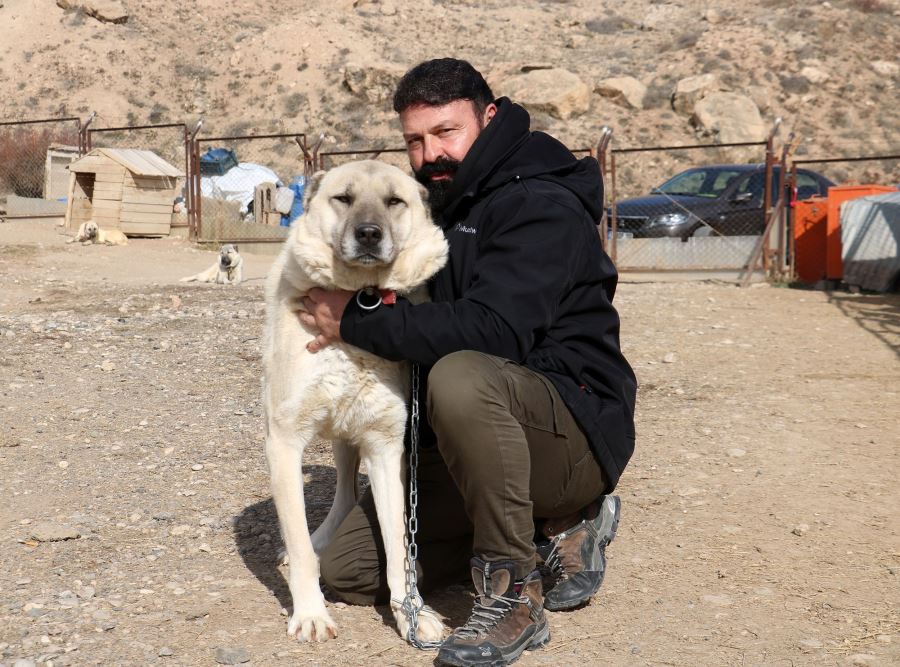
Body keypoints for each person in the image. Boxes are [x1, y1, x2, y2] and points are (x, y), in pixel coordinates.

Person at [299, 58, 636, 667]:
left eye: (446, 132)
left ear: (489, 115)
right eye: (416, 140)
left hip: (570, 434)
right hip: (477, 441)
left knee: (460, 373)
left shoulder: (540, 204)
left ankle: (516, 584)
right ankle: (541, 526)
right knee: (344, 570)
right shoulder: (440, 203)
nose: (431, 154)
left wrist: (353, 320)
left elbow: (495, 329)